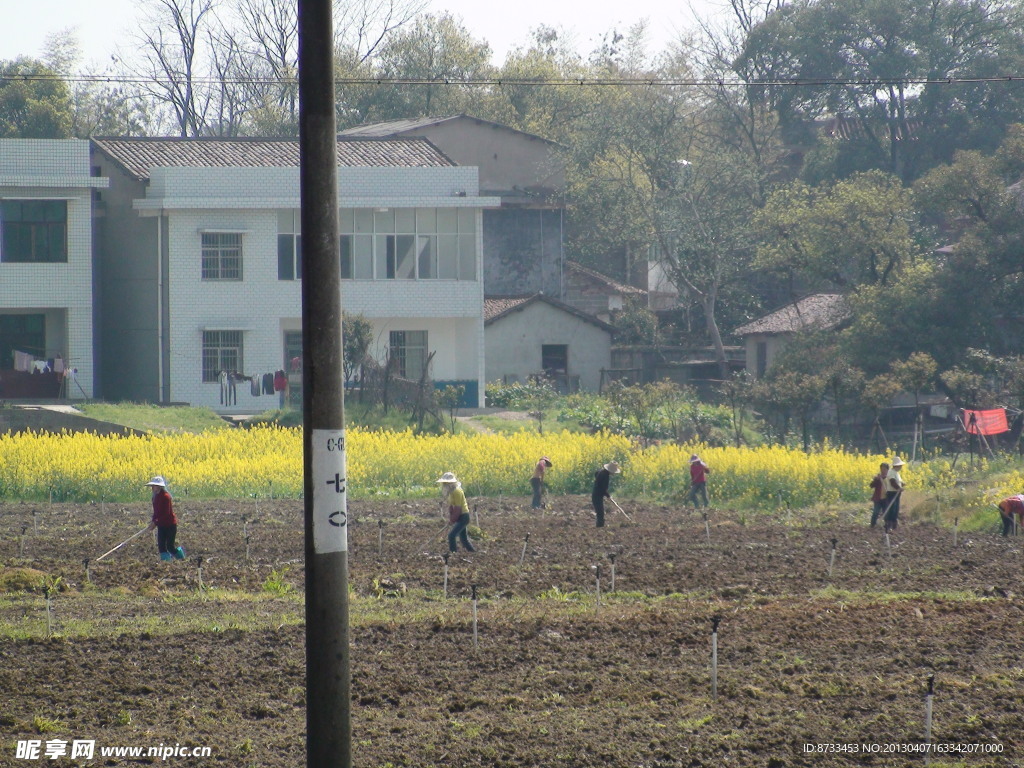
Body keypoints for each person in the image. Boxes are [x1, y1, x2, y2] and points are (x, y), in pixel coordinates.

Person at [146, 476, 185, 562]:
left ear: (159, 486)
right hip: (161, 525)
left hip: (170, 525)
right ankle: (166, 565)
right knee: (161, 547)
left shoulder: (166, 497)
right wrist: (153, 521)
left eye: (154, 486)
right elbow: (156, 512)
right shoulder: (155, 497)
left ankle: (182, 559)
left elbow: (166, 514)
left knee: (170, 547)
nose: (152, 488)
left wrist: (155, 522)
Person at [438, 472, 476, 554]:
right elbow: (452, 507)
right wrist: (451, 518)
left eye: (446, 483)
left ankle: (453, 553)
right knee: (463, 539)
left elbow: (458, 508)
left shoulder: (457, 491)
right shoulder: (451, 493)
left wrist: (453, 520)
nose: (444, 485)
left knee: (451, 536)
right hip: (459, 516)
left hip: (463, 516)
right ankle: (473, 552)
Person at [591, 461, 620, 528]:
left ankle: (600, 526)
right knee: (600, 512)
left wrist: (607, 495)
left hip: (596, 494)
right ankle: (600, 527)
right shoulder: (605, 476)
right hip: (597, 495)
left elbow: (596, 474)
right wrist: (608, 496)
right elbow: (603, 488)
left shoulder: (602, 472)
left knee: (600, 511)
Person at [882, 457, 905, 533]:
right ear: (896, 466)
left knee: (896, 509)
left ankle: (894, 525)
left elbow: (898, 481)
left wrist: (902, 484)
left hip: (896, 493)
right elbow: (892, 482)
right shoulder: (891, 472)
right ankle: (889, 525)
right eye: (900, 465)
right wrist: (899, 488)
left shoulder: (896, 473)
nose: (901, 467)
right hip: (892, 493)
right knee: (892, 509)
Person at [869, 462, 890, 528]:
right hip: (877, 498)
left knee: (886, 513)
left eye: (884, 469)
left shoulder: (889, 479)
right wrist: (876, 480)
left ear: (887, 470)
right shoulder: (878, 478)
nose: (883, 471)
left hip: (886, 499)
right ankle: (872, 525)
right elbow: (871, 485)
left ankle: (887, 525)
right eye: (881, 469)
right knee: (876, 512)